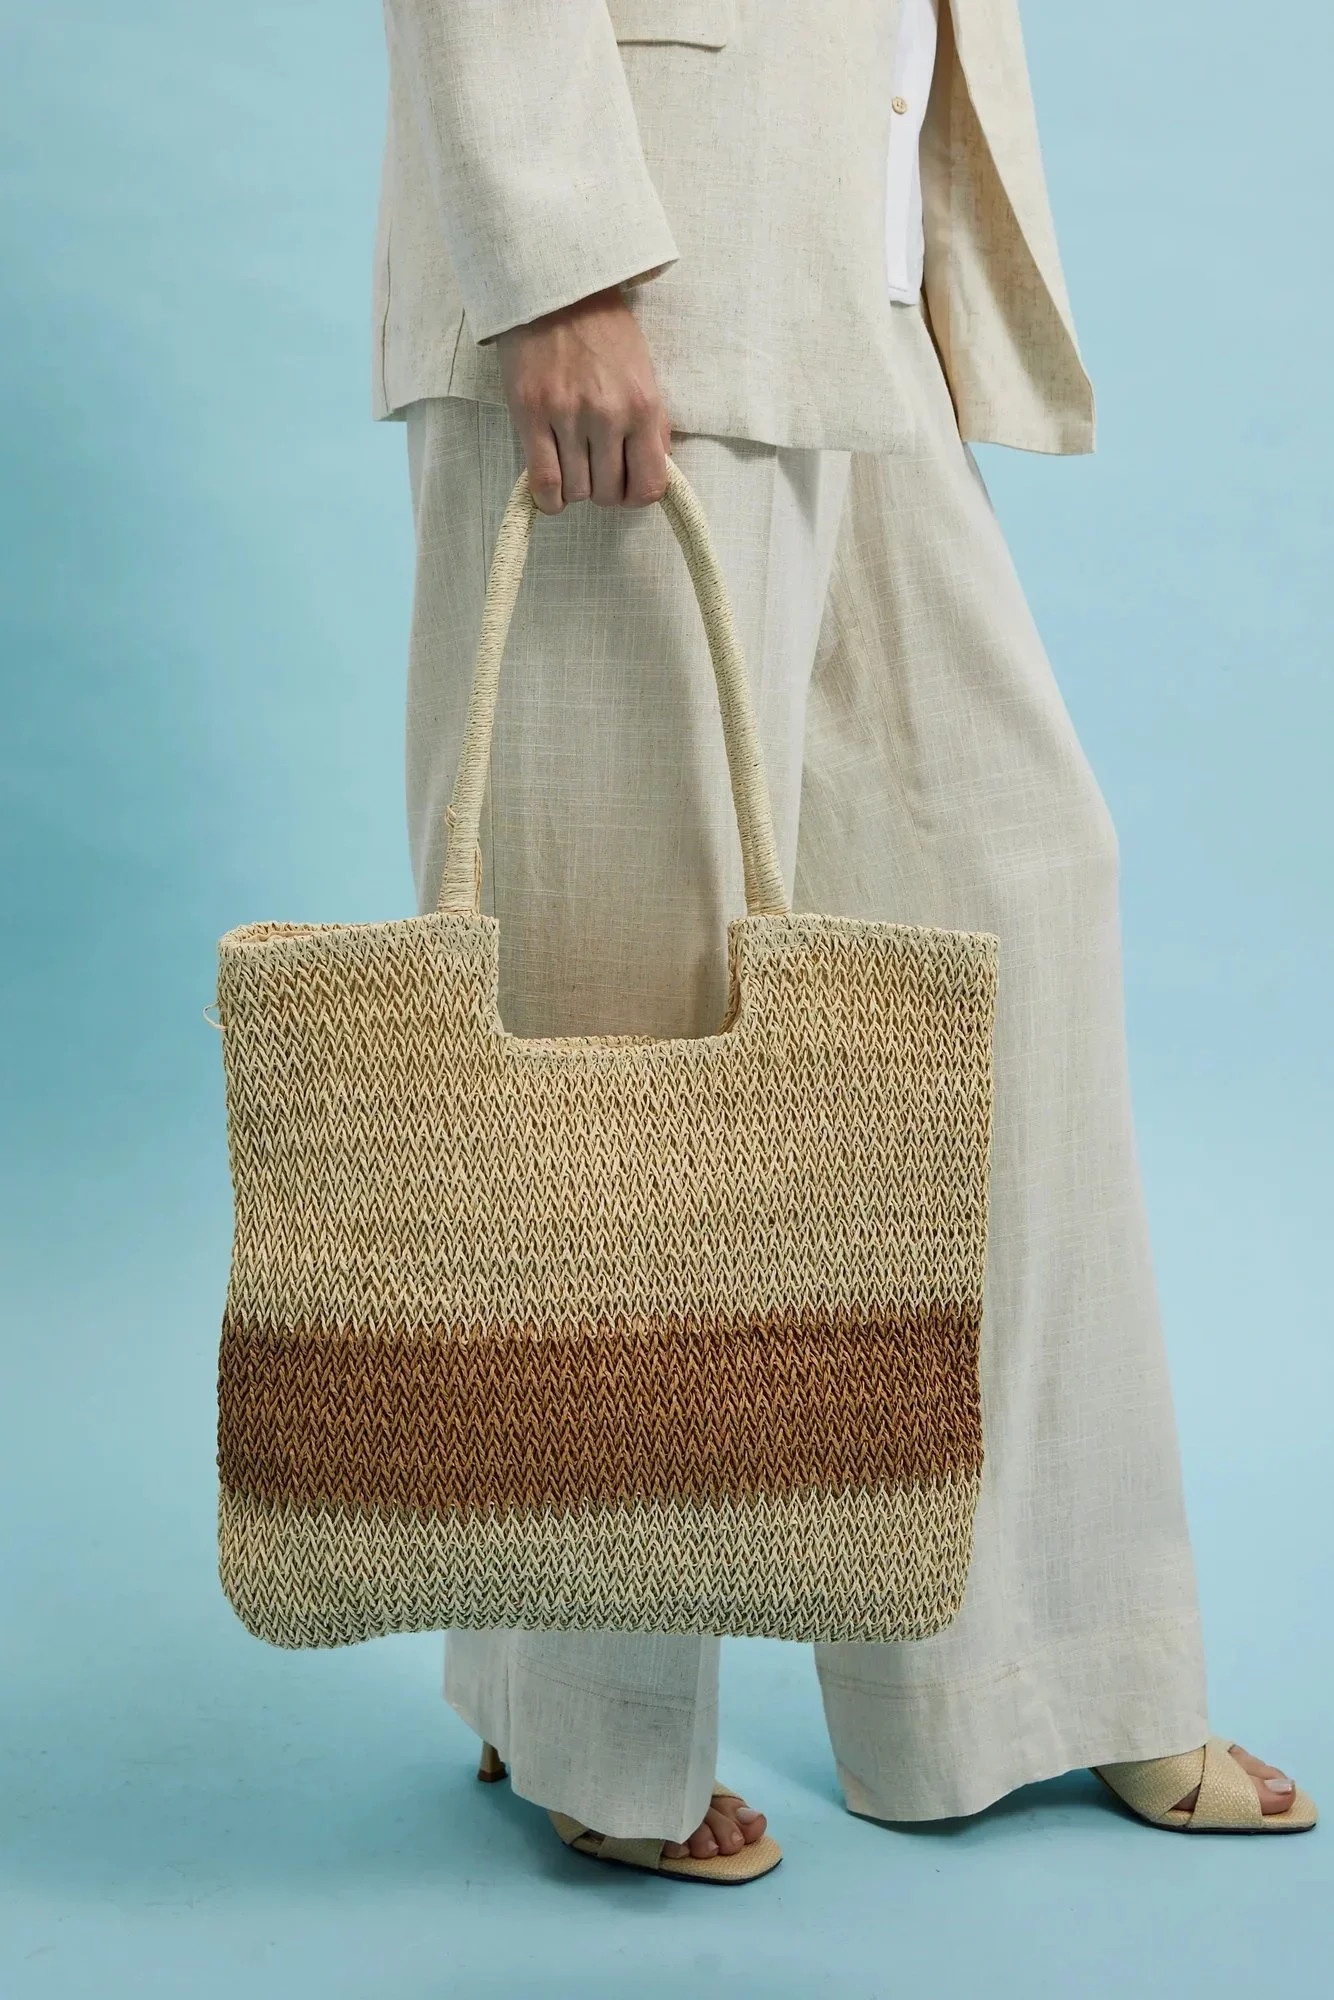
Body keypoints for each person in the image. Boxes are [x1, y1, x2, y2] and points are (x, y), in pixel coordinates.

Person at [372, 0, 1315, 1878]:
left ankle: (1032, 1667)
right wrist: (555, 263)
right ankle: (587, 1715)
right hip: (633, 265)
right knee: (621, 1002)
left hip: (842, 267)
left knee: (1012, 901)